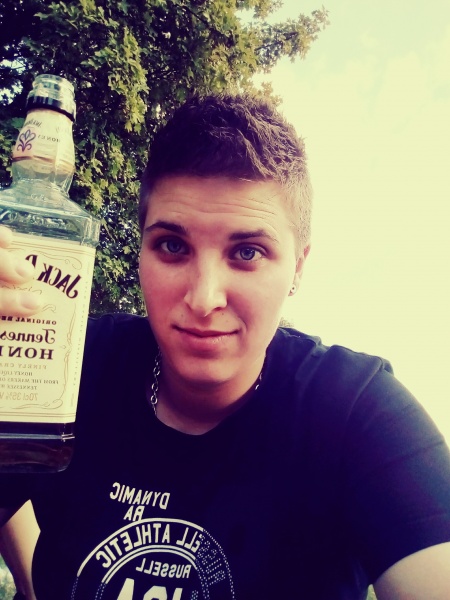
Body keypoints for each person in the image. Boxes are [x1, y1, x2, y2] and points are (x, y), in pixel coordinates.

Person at [0, 93, 450, 600]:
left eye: (247, 252)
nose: (203, 298)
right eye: (173, 246)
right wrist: (30, 583)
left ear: (298, 267)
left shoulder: (357, 412)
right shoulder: (68, 362)